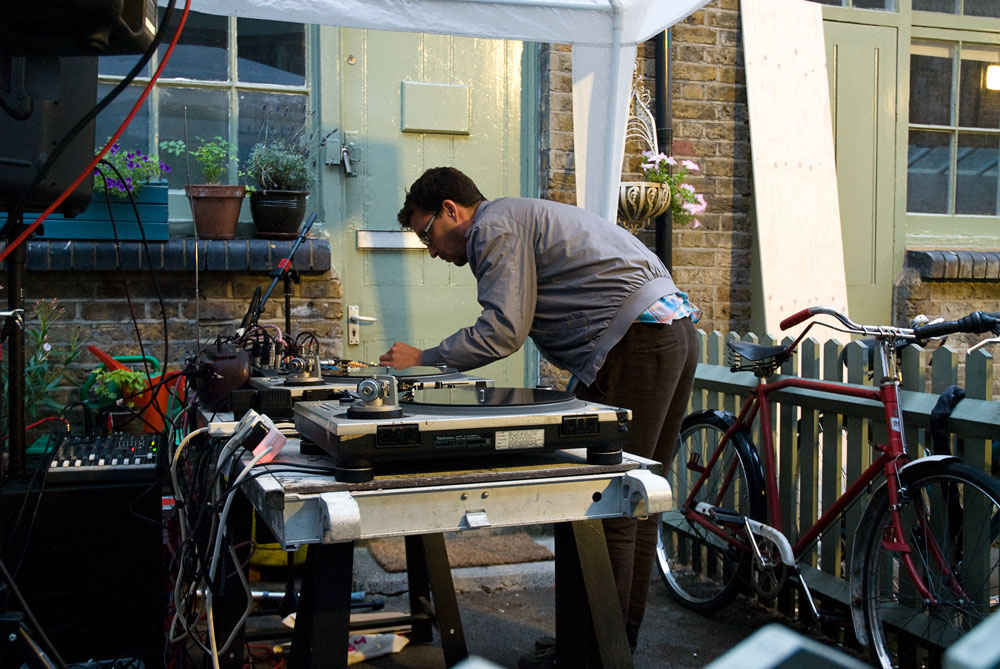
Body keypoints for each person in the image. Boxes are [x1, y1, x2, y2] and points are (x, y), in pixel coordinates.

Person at [379, 166, 700, 652]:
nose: (432, 250)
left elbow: (504, 329)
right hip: (668, 329)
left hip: (639, 341)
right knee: (636, 502)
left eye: (428, 234)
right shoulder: (516, 217)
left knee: (605, 500)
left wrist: (425, 359)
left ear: (452, 210)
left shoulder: (492, 227)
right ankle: (602, 648)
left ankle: (593, 653)